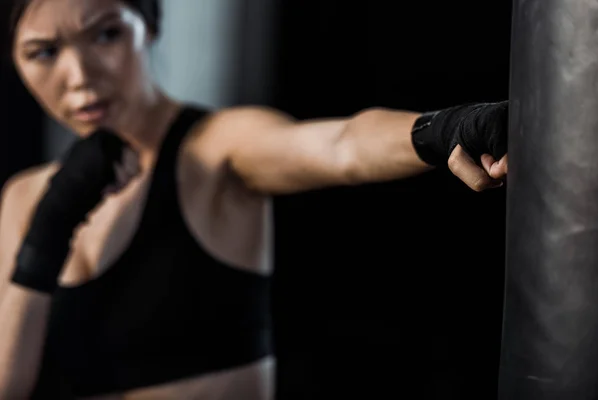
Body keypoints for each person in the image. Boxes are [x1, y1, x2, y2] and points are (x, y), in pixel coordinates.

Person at [0, 0, 509, 398]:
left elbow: (342, 145)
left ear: (149, 27)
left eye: (107, 33)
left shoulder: (215, 149)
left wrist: (446, 130)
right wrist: (50, 227)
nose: (80, 75)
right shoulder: (25, 196)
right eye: (43, 51)